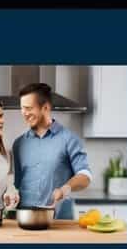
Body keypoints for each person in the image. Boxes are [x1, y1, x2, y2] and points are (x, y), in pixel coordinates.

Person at [12, 82, 92, 220]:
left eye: (28, 108)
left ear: (45, 107)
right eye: (22, 108)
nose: (24, 113)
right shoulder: (19, 144)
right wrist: (12, 196)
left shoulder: (69, 139)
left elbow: (85, 176)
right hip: (26, 220)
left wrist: (65, 189)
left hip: (59, 221)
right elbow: (18, 185)